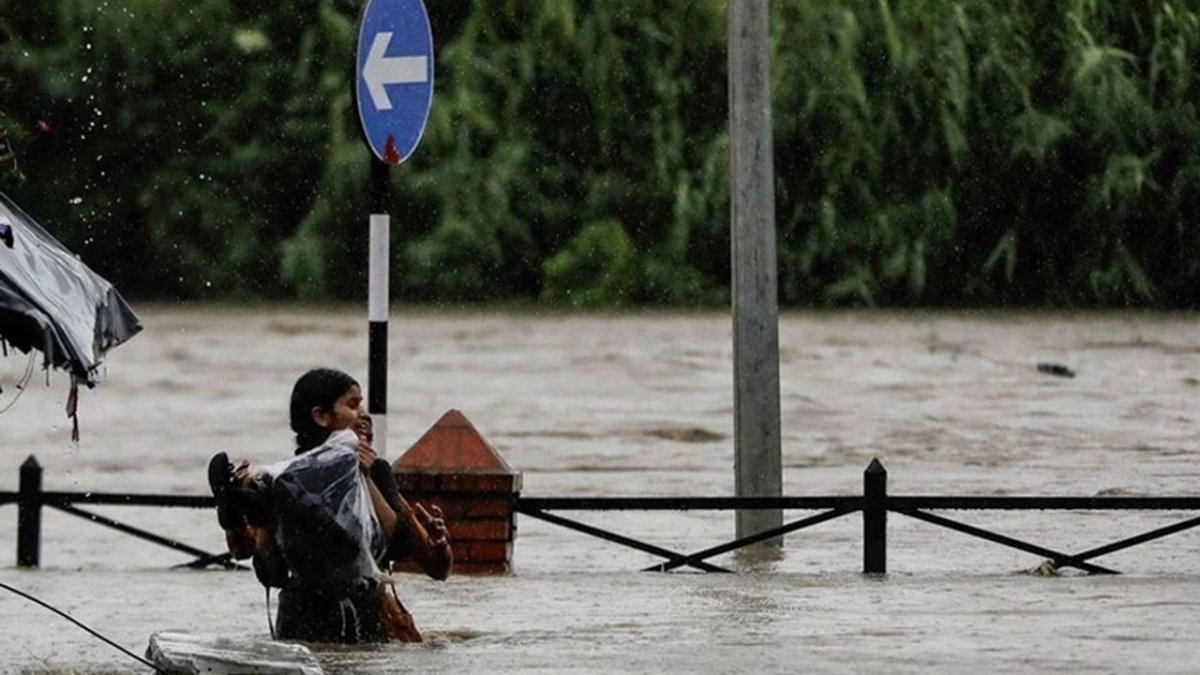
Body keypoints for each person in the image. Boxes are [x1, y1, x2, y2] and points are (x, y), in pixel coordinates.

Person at [208, 368, 452, 643]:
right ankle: (242, 504)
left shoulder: (372, 472)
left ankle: (242, 503)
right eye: (353, 405)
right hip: (319, 618)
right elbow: (270, 571)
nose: (362, 416)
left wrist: (367, 477)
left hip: (353, 616)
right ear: (321, 417)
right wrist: (264, 519)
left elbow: (417, 552)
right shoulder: (288, 482)